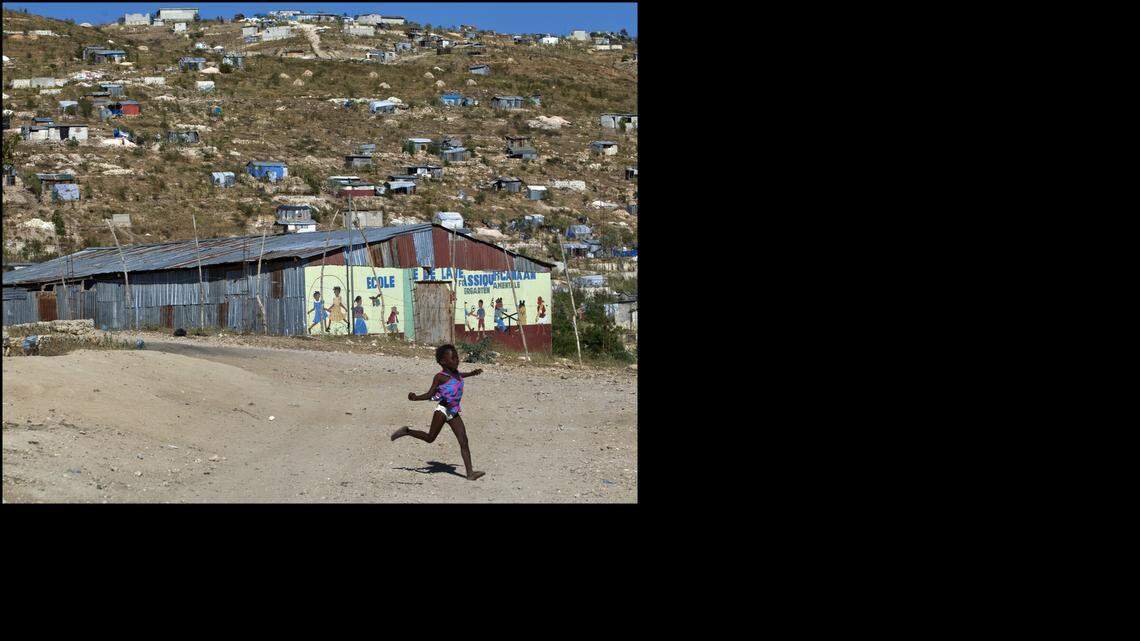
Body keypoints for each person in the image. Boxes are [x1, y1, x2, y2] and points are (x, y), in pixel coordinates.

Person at [391, 344, 485, 481]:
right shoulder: (440, 377)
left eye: (457, 357)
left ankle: (470, 473)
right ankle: (407, 431)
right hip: (442, 411)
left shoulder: (456, 374)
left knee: (463, 440)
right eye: (453, 358)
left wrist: (472, 373)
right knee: (430, 438)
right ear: (443, 362)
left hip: (453, 412)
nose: (457, 360)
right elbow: (430, 394)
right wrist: (416, 397)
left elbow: (461, 376)